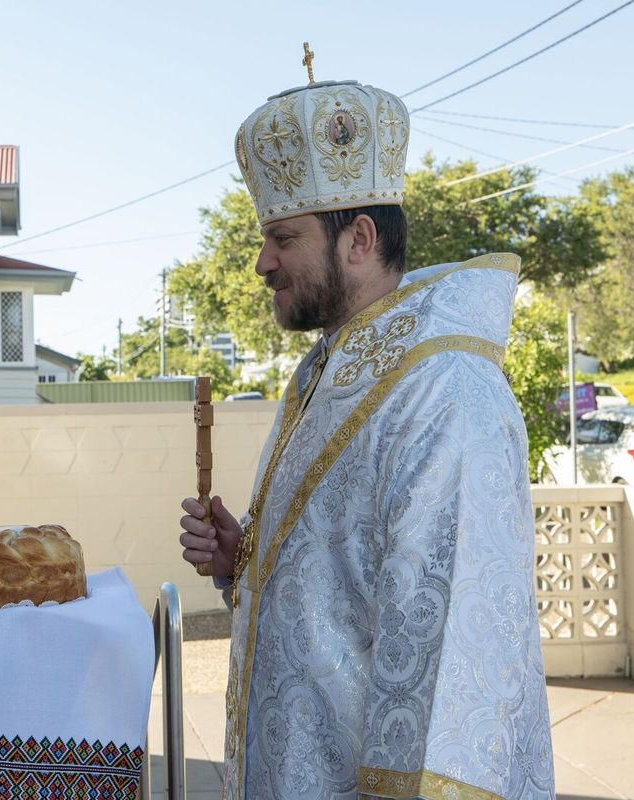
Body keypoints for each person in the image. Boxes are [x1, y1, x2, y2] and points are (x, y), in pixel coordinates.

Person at [179, 75, 554, 798]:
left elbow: (450, 664)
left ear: (359, 238)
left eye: (282, 238)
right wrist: (244, 563)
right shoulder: (328, 371)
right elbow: (344, 592)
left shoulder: (446, 390)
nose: (262, 263)